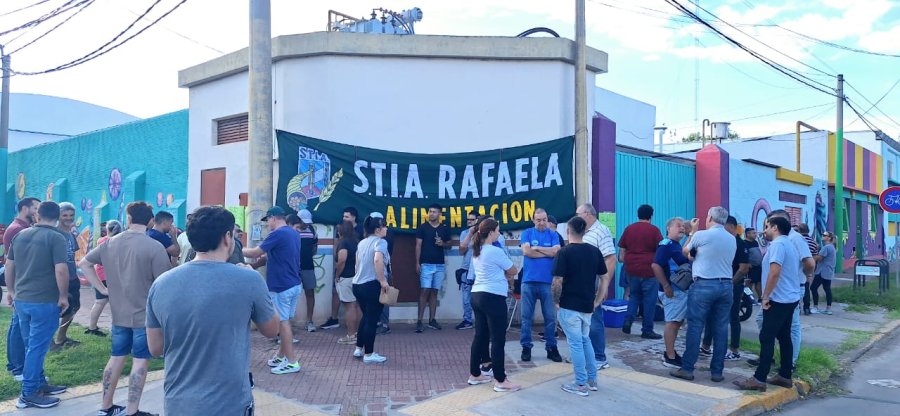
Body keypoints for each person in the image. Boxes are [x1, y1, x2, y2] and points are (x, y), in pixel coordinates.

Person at [146, 206, 280, 415]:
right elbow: (272, 330)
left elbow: (155, 348)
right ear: (227, 238)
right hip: (230, 405)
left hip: (178, 403)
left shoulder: (161, 284)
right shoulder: (248, 279)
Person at [80, 202, 171, 416]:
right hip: (145, 316)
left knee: (116, 357)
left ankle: (105, 405)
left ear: (128, 219)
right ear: (150, 221)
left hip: (118, 314)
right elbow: (164, 283)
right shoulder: (154, 247)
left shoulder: (109, 243)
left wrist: (102, 289)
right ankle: (131, 411)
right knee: (140, 361)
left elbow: (84, 263)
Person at [5, 201, 69, 409]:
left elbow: (9, 266)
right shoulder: (57, 238)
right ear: (58, 217)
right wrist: (63, 296)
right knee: (37, 348)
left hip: (22, 300)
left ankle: (39, 383)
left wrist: (12, 292)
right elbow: (61, 270)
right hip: (44, 301)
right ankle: (29, 393)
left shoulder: (20, 235)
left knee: (30, 346)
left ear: (38, 215)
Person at [733, 216, 800, 391]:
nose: (764, 230)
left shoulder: (778, 245)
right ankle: (785, 375)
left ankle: (759, 378)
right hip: (789, 298)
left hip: (778, 299)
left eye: (767, 226)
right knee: (784, 337)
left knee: (766, 337)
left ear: (775, 228)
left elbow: (774, 272)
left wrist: (765, 296)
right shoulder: (789, 244)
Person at [670, 207, 736, 383]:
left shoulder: (701, 235)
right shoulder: (731, 239)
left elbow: (686, 251)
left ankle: (687, 368)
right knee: (721, 328)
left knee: (695, 326)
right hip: (726, 285)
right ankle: (717, 372)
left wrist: (692, 232)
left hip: (704, 284)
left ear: (710, 218)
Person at [242, 206, 302, 375]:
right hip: (294, 284)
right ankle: (281, 356)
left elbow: (254, 252)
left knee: (282, 324)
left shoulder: (277, 234)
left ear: (274, 218)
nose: (267, 224)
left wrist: (235, 247)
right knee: (286, 322)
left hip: (281, 286)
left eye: (267, 220)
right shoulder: (293, 233)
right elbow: (280, 254)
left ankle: (292, 362)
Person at [552, 216, 608, 396]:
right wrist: (598, 299)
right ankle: (592, 380)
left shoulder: (564, 252)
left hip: (569, 305)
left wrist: (556, 301)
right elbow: (604, 278)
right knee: (585, 341)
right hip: (587, 306)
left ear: (568, 232)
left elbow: (557, 281)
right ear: (584, 231)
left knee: (576, 344)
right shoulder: (594, 251)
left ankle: (581, 384)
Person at [466, 218, 521, 392]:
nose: (499, 233)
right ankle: (500, 380)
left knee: (480, 336)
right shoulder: (494, 251)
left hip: (477, 295)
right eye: (498, 230)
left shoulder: (478, 250)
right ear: (490, 233)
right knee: (498, 339)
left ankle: (475, 374)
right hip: (493, 297)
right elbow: (513, 270)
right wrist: (505, 274)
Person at [700, 216, 750, 361]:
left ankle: (734, 349)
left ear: (733, 226)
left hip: (733, 286)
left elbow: (743, 268)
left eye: (725, 227)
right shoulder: (724, 242)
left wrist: (731, 283)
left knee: (732, 317)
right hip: (718, 284)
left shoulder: (740, 244)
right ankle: (706, 346)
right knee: (711, 315)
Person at [519, 208, 562, 362]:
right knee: (526, 318)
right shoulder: (527, 233)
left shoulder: (553, 234)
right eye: (539, 220)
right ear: (533, 220)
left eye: (544, 219)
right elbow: (526, 252)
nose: (542, 222)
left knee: (550, 317)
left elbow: (556, 252)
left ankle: (551, 348)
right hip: (528, 282)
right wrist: (546, 251)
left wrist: (536, 248)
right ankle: (526, 348)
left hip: (547, 283)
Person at [3, 196, 40, 382]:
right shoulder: (18, 230)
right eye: (36, 208)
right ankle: (17, 367)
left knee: (17, 324)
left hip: (21, 285)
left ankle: (15, 365)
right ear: (25, 209)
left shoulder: (21, 228)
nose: (38, 212)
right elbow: (12, 263)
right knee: (18, 326)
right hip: (21, 285)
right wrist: (12, 290)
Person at [576, 203, 616, 370]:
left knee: (594, 319)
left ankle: (599, 357)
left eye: (578, 213)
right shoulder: (583, 232)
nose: (576, 216)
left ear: (587, 214)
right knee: (582, 321)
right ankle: (586, 356)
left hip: (593, 281)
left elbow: (610, 259)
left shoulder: (601, 231)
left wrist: (604, 285)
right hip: (581, 281)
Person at [619, 204, 664, 339]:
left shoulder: (629, 229)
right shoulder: (654, 230)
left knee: (634, 296)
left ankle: (628, 320)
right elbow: (660, 249)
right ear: (651, 215)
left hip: (631, 268)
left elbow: (622, 250)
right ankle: (647, 330)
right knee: (649, 300)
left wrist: (624, 260)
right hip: (649, 270)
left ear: (638, 215)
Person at [651, 217, 690, 368]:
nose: (681, 228)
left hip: (680, 291)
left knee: (677, 322)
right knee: (672, 323)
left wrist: (689, 235)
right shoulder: (666, 245)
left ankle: (671, 351)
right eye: (678, 226)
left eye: (683, 226)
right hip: (672, 291)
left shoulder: (676, 245)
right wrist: (666, 285)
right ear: (668, 228)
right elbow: (656, 265)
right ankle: (669, 356)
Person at [351, 216, 391, 363]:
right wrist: (382, 281)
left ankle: (358, 348)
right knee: (372, 319)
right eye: (384, 226)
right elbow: (377, 260)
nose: (386, 229)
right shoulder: (380, 242)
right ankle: (369, 354)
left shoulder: (362, 243)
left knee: (366, 317)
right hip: (372, 284)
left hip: (357, 284)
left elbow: (356, 264)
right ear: (377, 229)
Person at [321, 207, 363, 330]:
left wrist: (338, 274)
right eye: (343, 216)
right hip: (352, 273)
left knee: (352, 305)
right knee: (340, 296)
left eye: (347, 217)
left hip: (348, 274)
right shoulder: (342, 238)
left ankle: (352, 332)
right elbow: (337, 250)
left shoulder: (358, 232)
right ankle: (335, 320)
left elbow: (343, 259)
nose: (344, 219)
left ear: (354, 217)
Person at [415, 203, 452, 333]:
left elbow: (450, 244)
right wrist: (417, 263)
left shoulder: (444, 229)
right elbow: (418, 245)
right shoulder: (422, 227)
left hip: (440, 265)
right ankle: (419, 321)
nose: (431, 214)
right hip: (426, 264)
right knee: (424, 290)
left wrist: (443, 243)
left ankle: (432, 320)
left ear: (440, 214)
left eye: (434, 212)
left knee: (434, 292)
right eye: (430, 211)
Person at [50, 202, 81, 351]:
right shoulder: (54, 233)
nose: (68, 218)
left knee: (74, 307)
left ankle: (61, 337)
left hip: (73, 278)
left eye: (71, 215)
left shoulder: (70, 234)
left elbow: (72, 256)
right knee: (55, 311)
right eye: (65, 215)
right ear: (58, 216)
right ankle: (50, 342)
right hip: (59, 279)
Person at [85, 220, 123, 337]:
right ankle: (116, 329)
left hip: (99, 275)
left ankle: (92, 327)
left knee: (99, 302)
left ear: (107, 230)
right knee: (117, 304)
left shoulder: (101, 241)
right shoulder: (118, 242)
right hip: (111, 276)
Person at [289, 210, 319, 333]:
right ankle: (287, 323)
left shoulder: (312, 230)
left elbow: (314, 248)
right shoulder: (291, 231)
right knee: (290, 294)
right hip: (292, 268)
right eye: (303, 222)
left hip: (308, 266)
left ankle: (309, 321)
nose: (305, 225)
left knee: (310, 293)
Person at [333, 221, 360, 345]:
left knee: (349, 307)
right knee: (355, 306)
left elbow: (342, 259)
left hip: (346, 277)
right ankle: (356, 333)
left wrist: (337, 274)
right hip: (356, 277)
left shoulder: (343, 243)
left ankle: (351, 335)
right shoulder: (356, 242)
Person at [456, 211, 479, 330]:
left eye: (472, 219)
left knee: (480, 297)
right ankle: (467, 320)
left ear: (478, 220)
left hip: (480, 270)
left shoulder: (483, 233)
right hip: (466, 268)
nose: (469, 221)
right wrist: (470, 235)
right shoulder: (464, 233)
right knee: (466, 297)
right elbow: (461, 251)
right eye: (468, 219)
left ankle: (481, 321)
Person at [810, 232, 837, 315]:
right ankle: (828, 308)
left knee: (813, 287)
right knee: (827, 289)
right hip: (828, 271)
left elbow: (820, 258)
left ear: (829, 238)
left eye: (825, 235)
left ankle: (816, 307)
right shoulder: (832, 247)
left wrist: (810, 257)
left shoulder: (826, 247)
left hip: (822, 271)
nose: (823, 236)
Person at [797, 223, 820, 315]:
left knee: (796, 287)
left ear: (799, 231)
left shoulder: (798, 240)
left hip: (798, 266)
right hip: (809, 267)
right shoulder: (813, 242)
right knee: (806, 287)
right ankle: (807, 308)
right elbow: (815, 256)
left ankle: (797, 307)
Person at [744, 228, 763, 301]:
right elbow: (744, 255)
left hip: (758, 267)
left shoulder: (755, 242)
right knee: (749, 285)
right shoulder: (744, 243)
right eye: (753, 233)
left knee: (758, 284)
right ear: (747, 234)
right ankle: (749, 299)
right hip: (750, 268)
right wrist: (747, 264)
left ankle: (760, 299)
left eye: (755, 233)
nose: (755, 234)